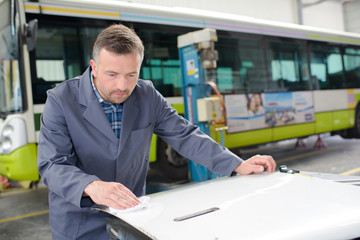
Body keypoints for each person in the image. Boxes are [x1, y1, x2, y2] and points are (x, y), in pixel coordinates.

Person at [37, 24, 276, 240]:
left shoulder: (147, 94)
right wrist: (92, 186)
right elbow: (52, 164)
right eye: (112, 75)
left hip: (131, 217)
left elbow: (185, 135)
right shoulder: (60, 100)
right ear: (94, 67)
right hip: (79, 223)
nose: (122, 86)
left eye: (131, 75)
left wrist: (236, 165)